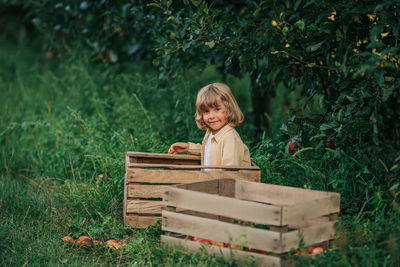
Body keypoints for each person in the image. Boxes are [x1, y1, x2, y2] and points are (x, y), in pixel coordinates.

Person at [168, 82, 251, 167]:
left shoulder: (230, 138)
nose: (211, 116)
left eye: (217, 109)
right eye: (206, 111)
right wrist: (187, 147)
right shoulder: (211, 133)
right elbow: (211, 151)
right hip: (211, 178)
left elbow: (230, 171)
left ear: (229, 109)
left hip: (224, 179)